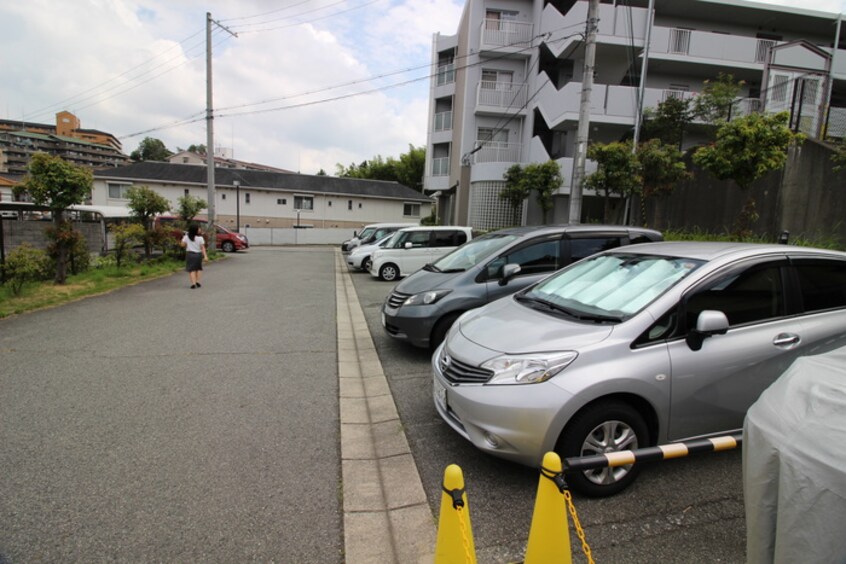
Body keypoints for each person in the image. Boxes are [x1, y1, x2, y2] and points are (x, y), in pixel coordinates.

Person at [180, 224, 208, 288]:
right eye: (198, 229)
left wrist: (183, 238)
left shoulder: (186, 237)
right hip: (198, 255)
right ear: (195, 230)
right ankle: (197, 281)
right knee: (198, 268)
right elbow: (202, 248)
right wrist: (205, 256)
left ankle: (193, 283)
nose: (200, 230)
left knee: (191, 269)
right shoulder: (200, 238)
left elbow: (182, 245)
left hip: (190, 254)